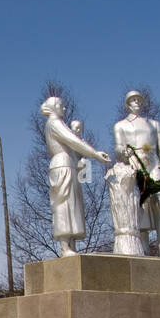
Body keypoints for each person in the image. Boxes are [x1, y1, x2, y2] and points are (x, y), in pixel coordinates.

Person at [40, 96, 110, 256]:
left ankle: (70, 244)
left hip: (68, 165)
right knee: (64, 204)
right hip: (62, 165)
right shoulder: (54, 123)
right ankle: (65, 246)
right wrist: (94, 153)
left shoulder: (58, 123)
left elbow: (74, 145)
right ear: (54, 106)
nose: (64, 109)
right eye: (62, 106)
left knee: (72, 204)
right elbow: (73, 141)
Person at [110, 90, 160, 258]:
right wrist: (125, 152)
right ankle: (143, 244)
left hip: (153, 164)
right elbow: (118, 148)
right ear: (127, 104)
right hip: (134, 165)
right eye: (132, 100)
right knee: (139, 205)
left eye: (138, 99)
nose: (136, 102)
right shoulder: (120, 125)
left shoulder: (154, 124)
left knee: (159, 201)